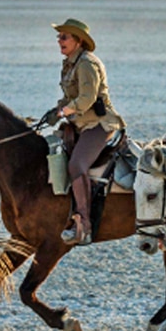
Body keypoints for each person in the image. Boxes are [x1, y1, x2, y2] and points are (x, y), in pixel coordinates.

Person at [51, 19, 125, 245]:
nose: (59, 41)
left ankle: (84, 223)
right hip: (79, 124)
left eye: (64, 37)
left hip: (99, 125)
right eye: (59, 36)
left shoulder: (87, 64)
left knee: (76, 165)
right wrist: (56, 110)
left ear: (78, 40)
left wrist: (65, 111)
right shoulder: (70, 64)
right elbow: (68, 96)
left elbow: (86, 99)